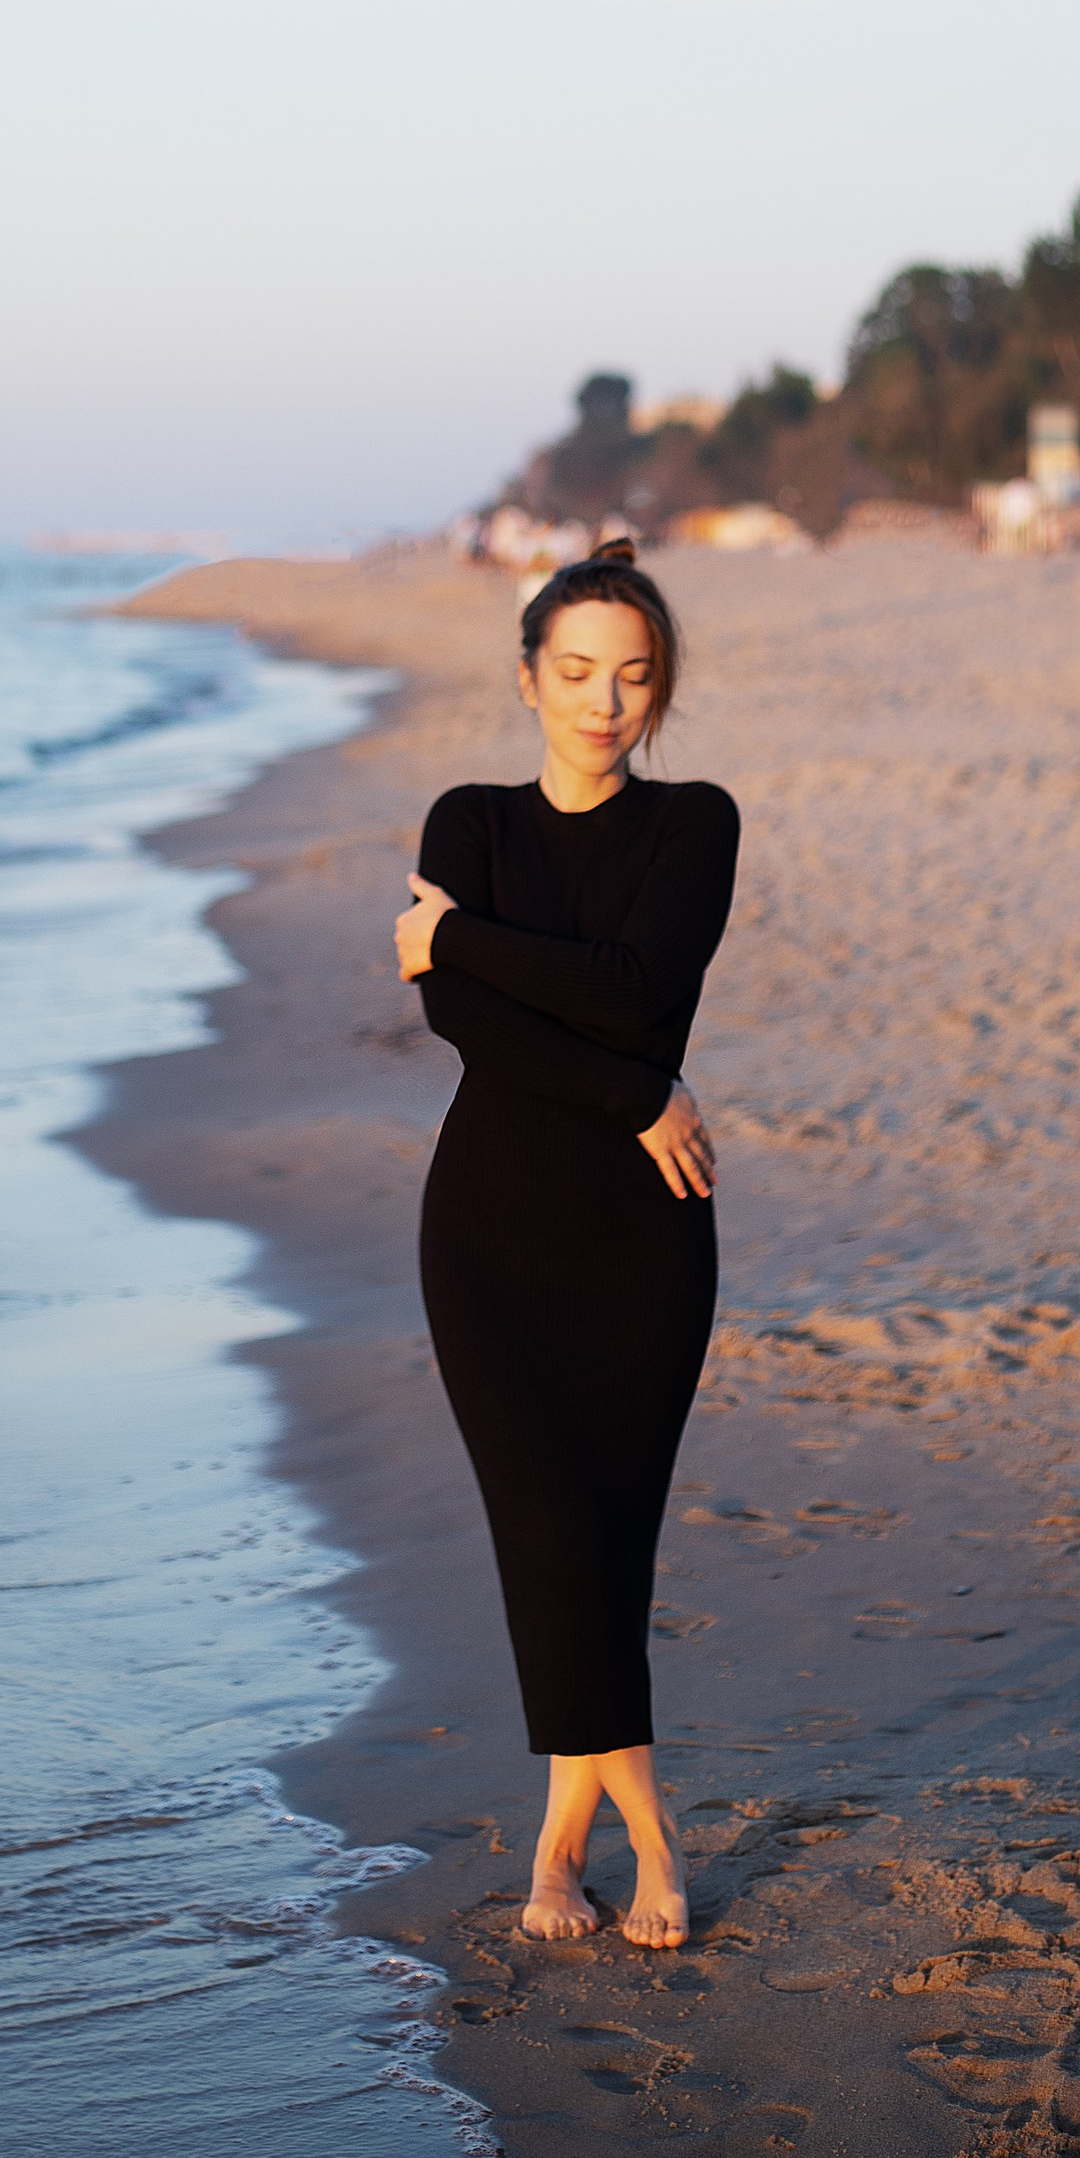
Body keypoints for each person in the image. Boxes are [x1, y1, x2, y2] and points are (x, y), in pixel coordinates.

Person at [394, 543, 737, 1949]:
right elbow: (461, 1024)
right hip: (491, 1232)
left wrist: (459, 938)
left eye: (633, 677)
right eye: (579, 672)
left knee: (609, 1540)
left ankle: (555, 1850)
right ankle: (649, 1837)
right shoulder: (469, 820)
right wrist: (637, 1093)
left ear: (660, 690)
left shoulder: (694, 825)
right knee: (545, 1534)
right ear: (528, 678)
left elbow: (634, 990)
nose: (606, 702)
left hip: (646, 1235)